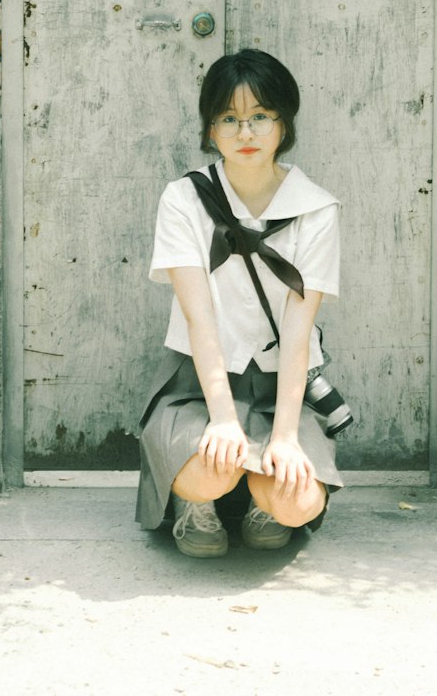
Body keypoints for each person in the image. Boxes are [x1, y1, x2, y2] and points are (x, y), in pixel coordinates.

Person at [136, 48, 343, 557]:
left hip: (281, 390)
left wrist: (286, 436)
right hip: (198, 386)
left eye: (259, 118)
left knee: (294, 504)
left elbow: (298, 334)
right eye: (228, 118)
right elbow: (199, 321)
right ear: (210, 129)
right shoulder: (184, 200)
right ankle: (198, 503)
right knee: (212, 469)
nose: (245, 134)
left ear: (283, 124)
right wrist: (224, 419)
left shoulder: (315, 209)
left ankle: (262, 501)